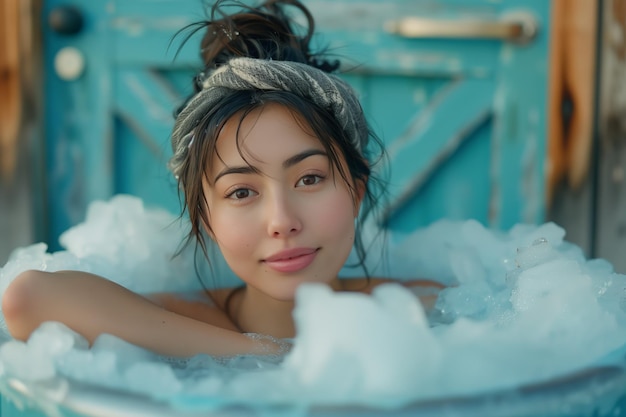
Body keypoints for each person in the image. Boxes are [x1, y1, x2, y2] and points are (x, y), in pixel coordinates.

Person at [1, 0, 442, 358]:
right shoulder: (182, 321)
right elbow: (29, 298)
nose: (281, 221)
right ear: (207, 218)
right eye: (242, 191)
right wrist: (270, 356)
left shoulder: (423, 314)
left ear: (357, 191)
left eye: (308, 179)